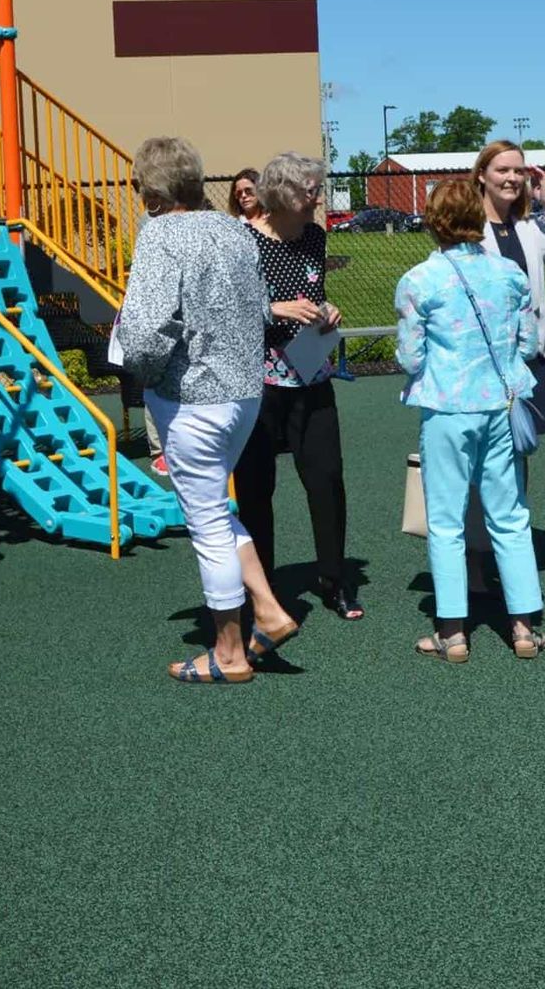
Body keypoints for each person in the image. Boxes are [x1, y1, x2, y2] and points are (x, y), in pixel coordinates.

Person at [118, 136, 298, 682]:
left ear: (147, 191)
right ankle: (266, 609)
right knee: (218, 511)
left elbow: (145, 333)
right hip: (244, 391)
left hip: (191, 396)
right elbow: (256, 308)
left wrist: (139, 371)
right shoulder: (235, 231)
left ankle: (228, 652)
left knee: (207, 526)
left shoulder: (159, 236)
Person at [395, 180, 545, 662]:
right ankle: (523, 628)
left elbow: (409, 355)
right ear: (478, 218)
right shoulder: (509, 275)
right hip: (501, 404)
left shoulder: (419, 280)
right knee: (510, 516)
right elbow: (527, 344)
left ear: (433, 220)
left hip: (447, 407)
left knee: (445, 521)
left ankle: (453, 633)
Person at [233, 152, 363, 620]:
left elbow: (315, 295)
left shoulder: (314, 237)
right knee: (255, 487)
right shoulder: (241, 241)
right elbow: (225, 313)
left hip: (311, 375)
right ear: (285, 192)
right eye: (311, 190)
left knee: (327, 477)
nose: (317, 199)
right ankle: (261, 589)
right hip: (258, 383)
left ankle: (334, 579)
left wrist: (327, 314)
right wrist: (276, 310)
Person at [470, 140, 545, 436]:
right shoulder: (468, 229)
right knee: (490, 449)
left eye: (518, 171)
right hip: (487, 358)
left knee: (523, 443)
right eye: (502, 170)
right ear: (482, 175)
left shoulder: (527, 227)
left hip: (530, 354)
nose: (512, 178)